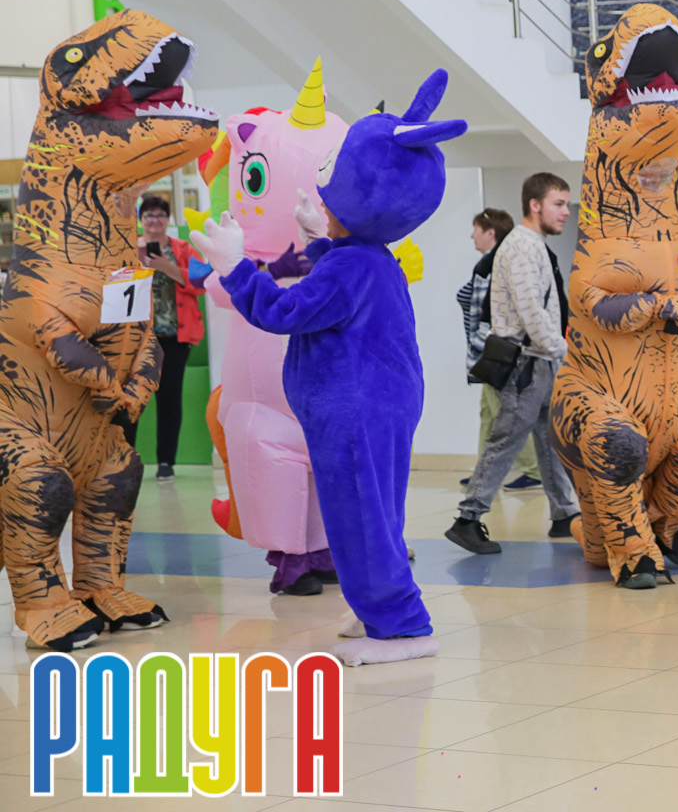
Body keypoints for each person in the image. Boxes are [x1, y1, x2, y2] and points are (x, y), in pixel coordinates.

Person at [192, 68, 463, 665]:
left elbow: (284, 311)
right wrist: (321, 241)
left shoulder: (353, 266)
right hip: (373, 406)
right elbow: (335, 292)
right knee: (369, 515)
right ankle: (378, 610)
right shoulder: (369, 257)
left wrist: (237, 268)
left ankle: (403, 626)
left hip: (356, 411)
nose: (320, 188)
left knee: (362, 518)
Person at [447, 172, 580, 553]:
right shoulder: (522, 247)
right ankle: (467, 520)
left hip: (538, 361)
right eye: (558, 204)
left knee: (549, 438)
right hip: (526, 363)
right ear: (534, 205)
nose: (565, 211)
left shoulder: (531, 244)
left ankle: (564, 512)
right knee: (505, 441)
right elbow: (530, 311)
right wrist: (564, 350)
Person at [458, 208, 543, 491]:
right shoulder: (489, 264)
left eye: (476, 230)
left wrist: (488, 347)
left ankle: (534, 471)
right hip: (488, 352)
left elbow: (495, 312)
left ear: (490, 233)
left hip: (495, 352)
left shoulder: (497, 265)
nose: (472, 236)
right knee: (488, 412)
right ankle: (485, 470)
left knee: (506, 413)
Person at [126, 194, 207, 481]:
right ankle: (125, 461)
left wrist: (166, 267)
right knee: (131, 399)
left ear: (168, 219)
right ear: (141, 219)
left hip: (175, 336)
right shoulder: (127, 246)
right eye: (149, 215)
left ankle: (165, 462)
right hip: (136, 338)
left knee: (169, 398)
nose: (154, 220)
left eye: (160, 215)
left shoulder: (183, 249)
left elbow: (201, 283)